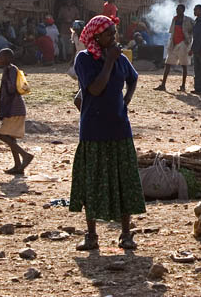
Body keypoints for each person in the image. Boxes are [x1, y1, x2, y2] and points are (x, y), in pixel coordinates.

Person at [71, 15, 145, 251]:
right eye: (109, 34)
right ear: (96, 37)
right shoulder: (84, 60)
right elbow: (95, 88)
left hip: (119, 128)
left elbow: (133, 79)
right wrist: (109, 62)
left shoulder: (120, 59)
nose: (114, 38)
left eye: (114, 33)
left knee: (124, 179)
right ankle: (91, 235)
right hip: (93, 131)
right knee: (93, 181)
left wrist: (126, 101)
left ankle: (126, 233)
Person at [0, 48, 33, 174]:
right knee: (11, 138)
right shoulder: (9, 69)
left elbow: (12, 89)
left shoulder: (11, 70)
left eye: (0, 56)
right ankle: (18, 166)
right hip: (13, 108)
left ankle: (26, 156)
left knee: (2, 135)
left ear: (7, 58)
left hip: (14, 108)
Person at [155, 4, 194, 92]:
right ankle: (163, 85)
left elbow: (194, 30)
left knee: (184, 65)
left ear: (183, 11)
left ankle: (183, 86)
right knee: (168, 63)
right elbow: (172, 32)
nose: (177, 11)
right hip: (174, 44)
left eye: (179, 9)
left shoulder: (188, 20)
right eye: (177, 9)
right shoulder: (175, 19)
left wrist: (188, 40)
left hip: (183, 44)